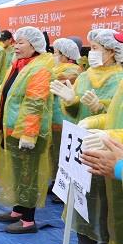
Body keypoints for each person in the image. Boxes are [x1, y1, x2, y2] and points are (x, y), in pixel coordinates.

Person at [51, 30, 123, 244]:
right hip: (83, 141)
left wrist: (99, 107)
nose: (90, 53)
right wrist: (71, 102)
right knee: (82, 194)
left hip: (107, 148)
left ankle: (104, 242)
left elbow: (115, 114)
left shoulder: (118, 77)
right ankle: (85, 241)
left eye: (95, 48)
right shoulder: (84, 75)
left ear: (112, 52)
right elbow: (75, 112)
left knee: (105, 200)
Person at [0, 26, 54, 234]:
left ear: (34, 45)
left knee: (29, 174)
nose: (15, 45)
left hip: (29, 131)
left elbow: (34, 103)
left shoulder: (39, 68)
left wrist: (29, 132)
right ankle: (18, 210)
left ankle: (28, 220)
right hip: (12, 128)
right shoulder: (19, 64)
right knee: (18, 172)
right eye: (16, 41)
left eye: (21, 43)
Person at [48, 38, 82, 187]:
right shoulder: (55, 69)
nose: (53, 56)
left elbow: (53, 83)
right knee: (53, 152)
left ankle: (64, 184)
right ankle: (56, 181)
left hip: (64, 118)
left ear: (65, 54)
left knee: (63, 152)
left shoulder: (74, 70)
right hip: (52, 117)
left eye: (56, 53)